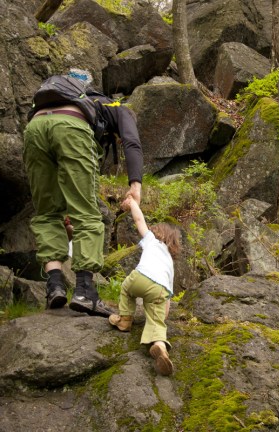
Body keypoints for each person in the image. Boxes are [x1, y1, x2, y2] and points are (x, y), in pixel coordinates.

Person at [23, 68, 143, 317]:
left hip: (34, 128)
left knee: (46, 212)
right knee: (87, 213)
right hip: (71, 126)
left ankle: (54, 285)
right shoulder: (118, 106)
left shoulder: (59, 97)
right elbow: (132, 142)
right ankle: (85, 292)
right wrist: (135, 185)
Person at [109, 197, 180, 376]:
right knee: (156, 321)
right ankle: (160, 346)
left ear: (158, 233)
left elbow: (139, 220)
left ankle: (125, 320)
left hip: (141, 277)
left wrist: (132, 203)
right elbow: (168, 297)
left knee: (126, 288)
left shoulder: (152, 239)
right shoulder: (170, 263)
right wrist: (161, 315)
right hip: (160, 289)